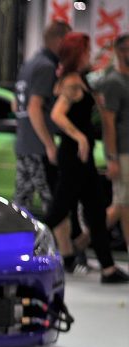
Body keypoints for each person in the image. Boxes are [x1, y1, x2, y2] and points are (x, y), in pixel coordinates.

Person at [47, 32, 129, 284]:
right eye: (86, 50)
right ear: (78, 54)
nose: (89, 54)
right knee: (59, 210)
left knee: (95, 211)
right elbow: (57, 114)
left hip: (82, 158)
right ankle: (19, 246)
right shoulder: (72, 82)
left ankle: (108, 268)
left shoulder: (79, 79)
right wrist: (80, 137)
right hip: (74, 156)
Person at [13, 21, 70, 239]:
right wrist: (49, 144)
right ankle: (62, 251)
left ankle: (16, 245)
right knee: (53, 202)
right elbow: (34, 107)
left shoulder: (29, 64)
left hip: (24, 142)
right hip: (38, 147)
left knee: (22, 200)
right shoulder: (46, 66)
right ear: (59, 40)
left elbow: (16, 104)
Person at [99, 34, 129, 259]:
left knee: (124, 205)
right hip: (123, 152)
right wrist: (112, 158)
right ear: (118, 51)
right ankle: (83, 242)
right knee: (122, 205)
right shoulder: (113, 82)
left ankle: (83, 241)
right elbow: (108, 122)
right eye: (126, 49)